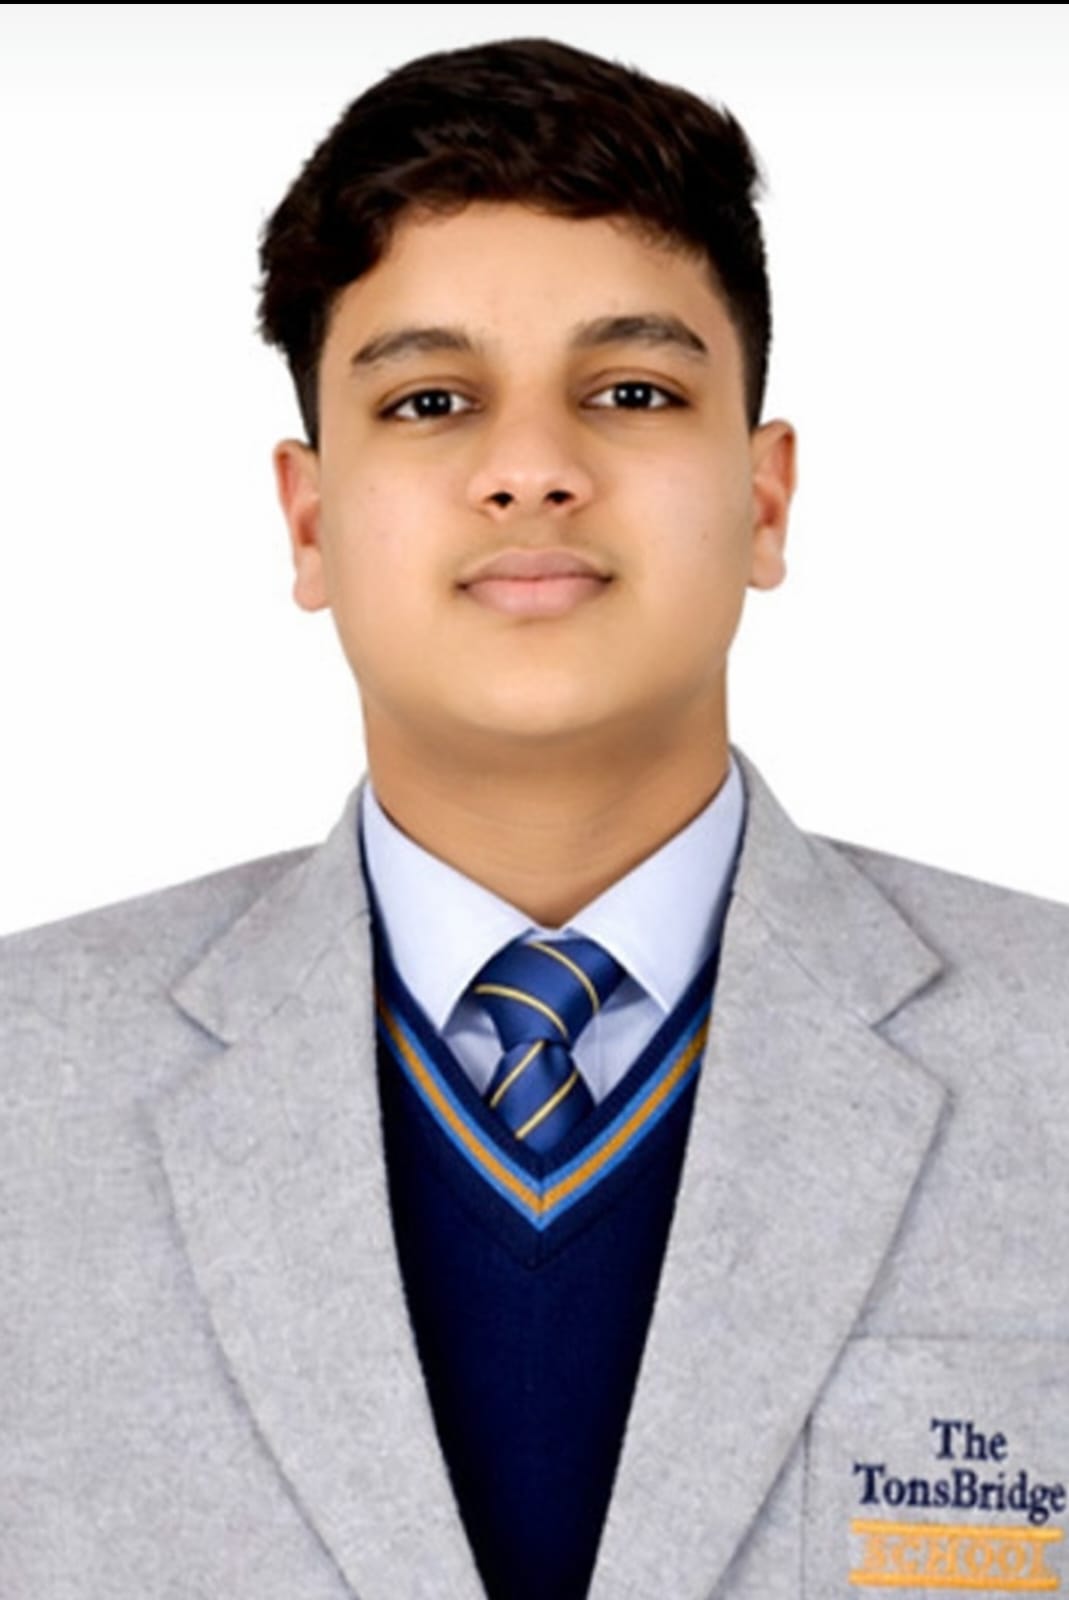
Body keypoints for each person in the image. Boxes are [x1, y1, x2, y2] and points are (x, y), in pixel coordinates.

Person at [3, 34, 1068, 1600]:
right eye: (429, 399)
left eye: (630, 391)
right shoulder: (23, 1088)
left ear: (763, 499)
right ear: (309, 520)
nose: (529, 471)